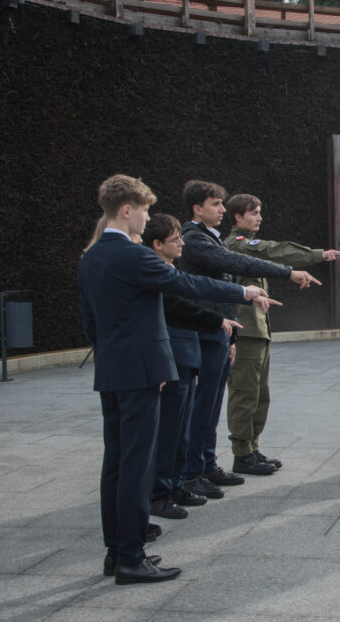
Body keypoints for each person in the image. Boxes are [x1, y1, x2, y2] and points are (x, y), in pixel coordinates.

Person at [78, 174, 275, 585]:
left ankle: (117, 551)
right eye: (144, 210)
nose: (146, 217)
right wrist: (244, 293)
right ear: (126, 210)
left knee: (116, 463)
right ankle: (131, 558)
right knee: (137, 464)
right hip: (142, 373)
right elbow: (183, 283)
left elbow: (91, 324)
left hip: (112, 371)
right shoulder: (132, 255)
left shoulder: (92, 256)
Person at [177, 180, 317, 498]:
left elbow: (224, 278)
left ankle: (207, 464)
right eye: (216, 204)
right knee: (205, 405)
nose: (222, 210)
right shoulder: (195, 239)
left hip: (220, 330)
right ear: (198, 209)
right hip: (205, 331)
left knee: (213, 405)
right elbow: (235, 264)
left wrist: (236, 325)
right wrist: (288, 272)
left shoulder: (208, 237)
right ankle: (192, 471)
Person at [224, 193, 340, 475]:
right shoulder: (237, 244)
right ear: (238, 217)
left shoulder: (245, 245)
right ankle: (242, 454)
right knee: (244, 393)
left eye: (259, 212)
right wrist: (317, 255)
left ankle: (252, 448)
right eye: (253, 213)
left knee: (259, 394)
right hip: (245, 332)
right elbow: (275, 251)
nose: (259, 217)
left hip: (258, 330)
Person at [141, 214, 240, 520]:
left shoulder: (171, 269)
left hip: (187, 356)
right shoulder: (155, 272)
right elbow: (174, 311)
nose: (182, 243)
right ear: (157, 244)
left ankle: (176, 484)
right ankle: (159, 493)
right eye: (175, 239)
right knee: (169, 430)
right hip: (172, 357)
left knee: (181, 429)